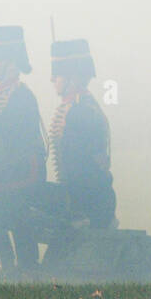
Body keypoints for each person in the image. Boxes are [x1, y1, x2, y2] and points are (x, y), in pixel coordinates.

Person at [0, 25, 47, 272]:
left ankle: (23, 265)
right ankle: (10, 262)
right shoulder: (5, 94)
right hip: (11, 167)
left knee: (13, 213)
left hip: (25, 169)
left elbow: (10, 133)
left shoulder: (21, 96)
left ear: (10, 62)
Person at [43, 39, 116, 229]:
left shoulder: (81, 111)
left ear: (72, 78)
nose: (52, 80)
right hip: (83, 199)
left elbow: (86, 168)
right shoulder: (78, 108)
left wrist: (79, 211)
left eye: (57, 75)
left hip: (89, 204)